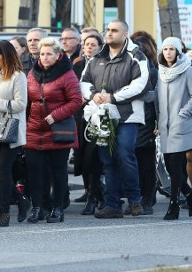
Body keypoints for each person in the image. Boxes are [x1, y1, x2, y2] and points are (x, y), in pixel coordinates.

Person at [80, 19, 149, 219]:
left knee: (124, 153)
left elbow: (140, 84)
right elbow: (83, 81)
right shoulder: (97, 58)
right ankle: (113, 204)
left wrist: (113, 97)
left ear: (125, 34)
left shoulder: (136, 56)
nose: (109, 33)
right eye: (108, 30)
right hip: (102, 116)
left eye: (114, 30)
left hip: (127, 115)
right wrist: (93, 95)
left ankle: (135, 201)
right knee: (107, 160)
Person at [26, 37, 82, 223]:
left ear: (58, 55)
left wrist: (55, 116)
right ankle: (38, 207)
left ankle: (57, 208)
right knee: (35, 171)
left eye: (49, 54)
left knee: (58, 172)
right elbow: (28, 99)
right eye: (42, 54)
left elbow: (76, 101)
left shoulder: (67, 74)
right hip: (34, 129)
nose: (45, 57)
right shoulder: (32, 74)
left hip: (57, 130)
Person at [0, 40, 29, 227]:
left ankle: (4, 213)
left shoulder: (18, 76)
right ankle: (21, 200)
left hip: (11, 126)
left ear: (6, 56)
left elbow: (21, 104)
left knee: (3, 169)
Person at [156, 37, 192, 220]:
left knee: (175, 166)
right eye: (165, 49)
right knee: (169, 165)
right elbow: (157, 99)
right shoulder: (160, 72)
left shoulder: (187, 70)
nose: (168, 52)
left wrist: (183, 114)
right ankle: (191, 195)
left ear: (178, 51)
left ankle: (173, 204)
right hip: (165, 127)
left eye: (171, 49)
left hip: (181, 124)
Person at [73, 32, 103, 214]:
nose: (89, 47)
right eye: (87, 44)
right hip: (78, 115)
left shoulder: (103, 64)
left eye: (93, 44)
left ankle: (93, 195)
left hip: (96, 114)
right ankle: (91, 191)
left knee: (94, 157)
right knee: (82, 156)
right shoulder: (77, 64)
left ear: (100, 47)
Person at [130, 31, 159, 215]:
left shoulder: (153, 72)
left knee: (146, 161)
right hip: (132, 117)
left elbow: (155, 99)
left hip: (147, 119)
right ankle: (140, 196)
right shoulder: (127, 67)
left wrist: (157, 124)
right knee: (136, 161)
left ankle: (147, 197)